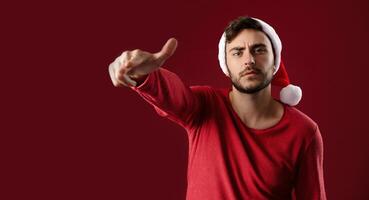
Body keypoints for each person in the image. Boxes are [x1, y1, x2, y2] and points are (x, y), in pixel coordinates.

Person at [108, 16, 327, 200]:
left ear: (275, 61)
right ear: (226, 64)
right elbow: (170, 94)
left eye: (259, 50)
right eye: (237, 52)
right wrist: (142, 74)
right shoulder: (204, 106)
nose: (249, 60)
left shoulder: (304, 132)